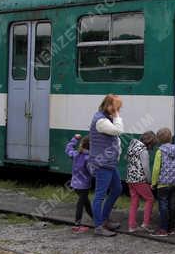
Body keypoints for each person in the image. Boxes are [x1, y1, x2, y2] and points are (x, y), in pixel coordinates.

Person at [89, 94, 124, 236]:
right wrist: (117, 116)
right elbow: (118, 131)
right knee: (100, 195)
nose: (118, 110)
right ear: (108, 106)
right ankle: (98, 226)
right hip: (102, 163)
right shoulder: (101, 121)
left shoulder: (106, 119)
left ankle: (104, 218)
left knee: (117, 188)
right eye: (116, 108)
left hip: (109, 162)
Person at [151, 128, 175, 236]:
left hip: (163, 184)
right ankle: (171, 228)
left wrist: (153, 182)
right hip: (174, 183)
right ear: (170, 137)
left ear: (159, 139)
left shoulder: (160, 151)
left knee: (163, 206)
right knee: (172, 206)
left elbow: (156, 169)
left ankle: (163, 229)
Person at [126, 130, 158, 232]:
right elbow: (146, 168)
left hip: (130, 179)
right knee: (150, 199)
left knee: (134, 201)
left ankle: (132, 225)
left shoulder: (132, 146)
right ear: (149, 143)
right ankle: (146, 224)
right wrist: (149, 180)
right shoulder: (143, 151)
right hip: (140, 179)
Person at [65, 134, 93, 232]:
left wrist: (75, 138)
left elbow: (68, 149)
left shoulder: (76, 154)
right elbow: (91, 172)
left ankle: (96, 219)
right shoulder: (88, 158)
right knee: (81, 203)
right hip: (84, 186)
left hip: (75, 184)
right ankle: (77, 225)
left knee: (86, 203)